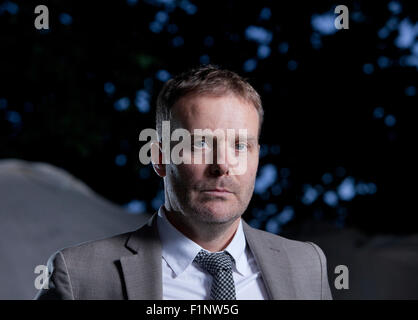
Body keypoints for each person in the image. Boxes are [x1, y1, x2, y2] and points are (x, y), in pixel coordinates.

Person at [35, 65, 332, 300]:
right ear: (160, 157)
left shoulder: (307, 265)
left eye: (240, 146)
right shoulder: (79, 277)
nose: (222, 166)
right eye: (201, 143)